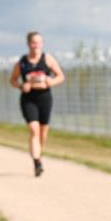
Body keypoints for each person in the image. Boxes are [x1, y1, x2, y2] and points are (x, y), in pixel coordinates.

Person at [9, 31, 65, 176]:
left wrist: (50, 82)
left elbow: (60, 76)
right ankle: (37, 162)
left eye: (39, 42)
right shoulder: (22, 63)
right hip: (28, 99)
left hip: (45, 98)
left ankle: (38, 154)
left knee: (42, 133)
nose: (36, 46)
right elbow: (13, 80)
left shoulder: (48, 59)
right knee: (34, 130)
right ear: (29, 44)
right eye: (34, 42)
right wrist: (22, 86)